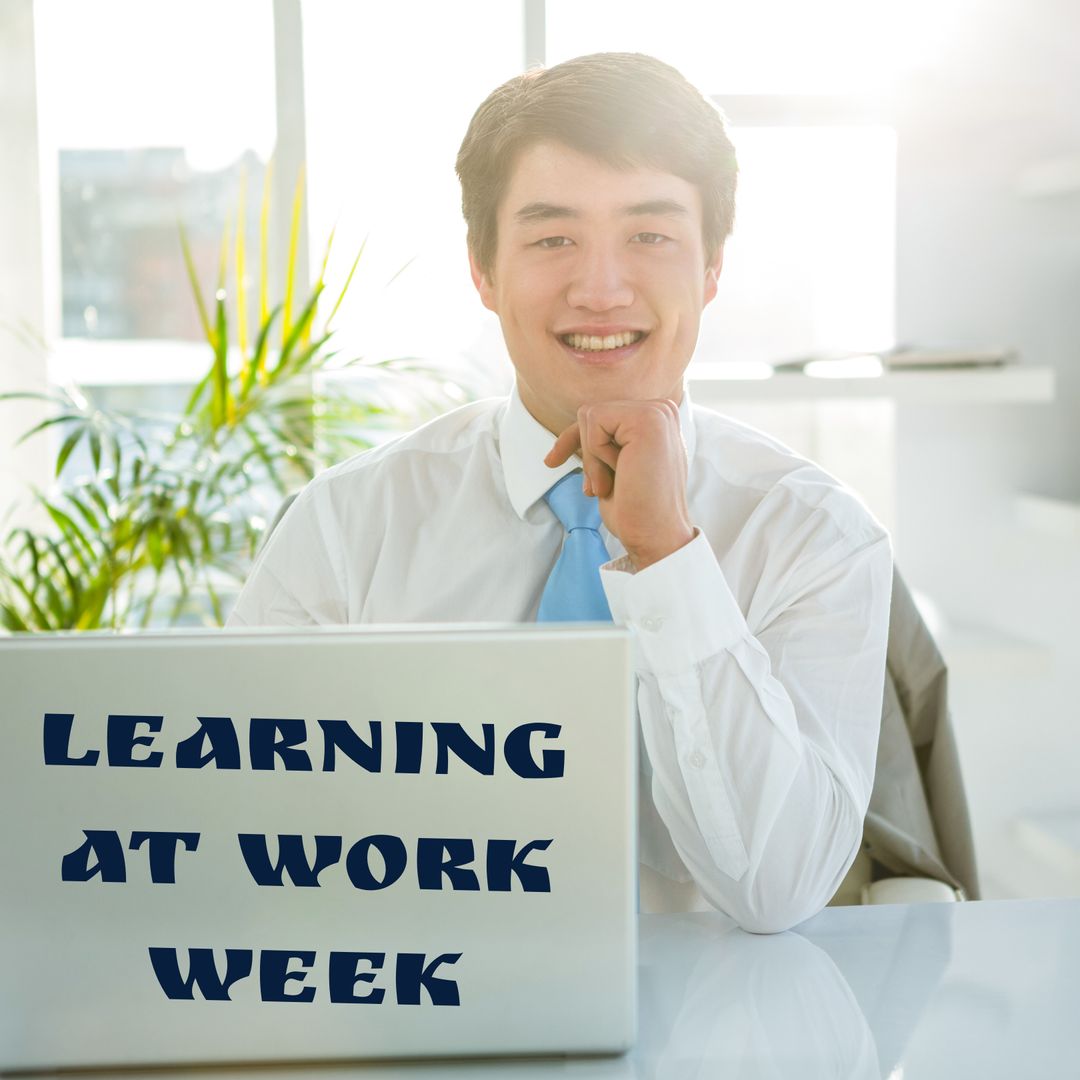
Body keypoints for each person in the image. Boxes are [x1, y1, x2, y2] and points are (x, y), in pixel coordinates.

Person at [228, 52, 893, 934]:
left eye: (650, 235)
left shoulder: (815, 536)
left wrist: (667, 560)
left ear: (711, 268)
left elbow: (777, 889)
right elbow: (239, 840)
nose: (601, 288)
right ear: (484, 272)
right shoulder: (347, 528)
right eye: (552, 238)